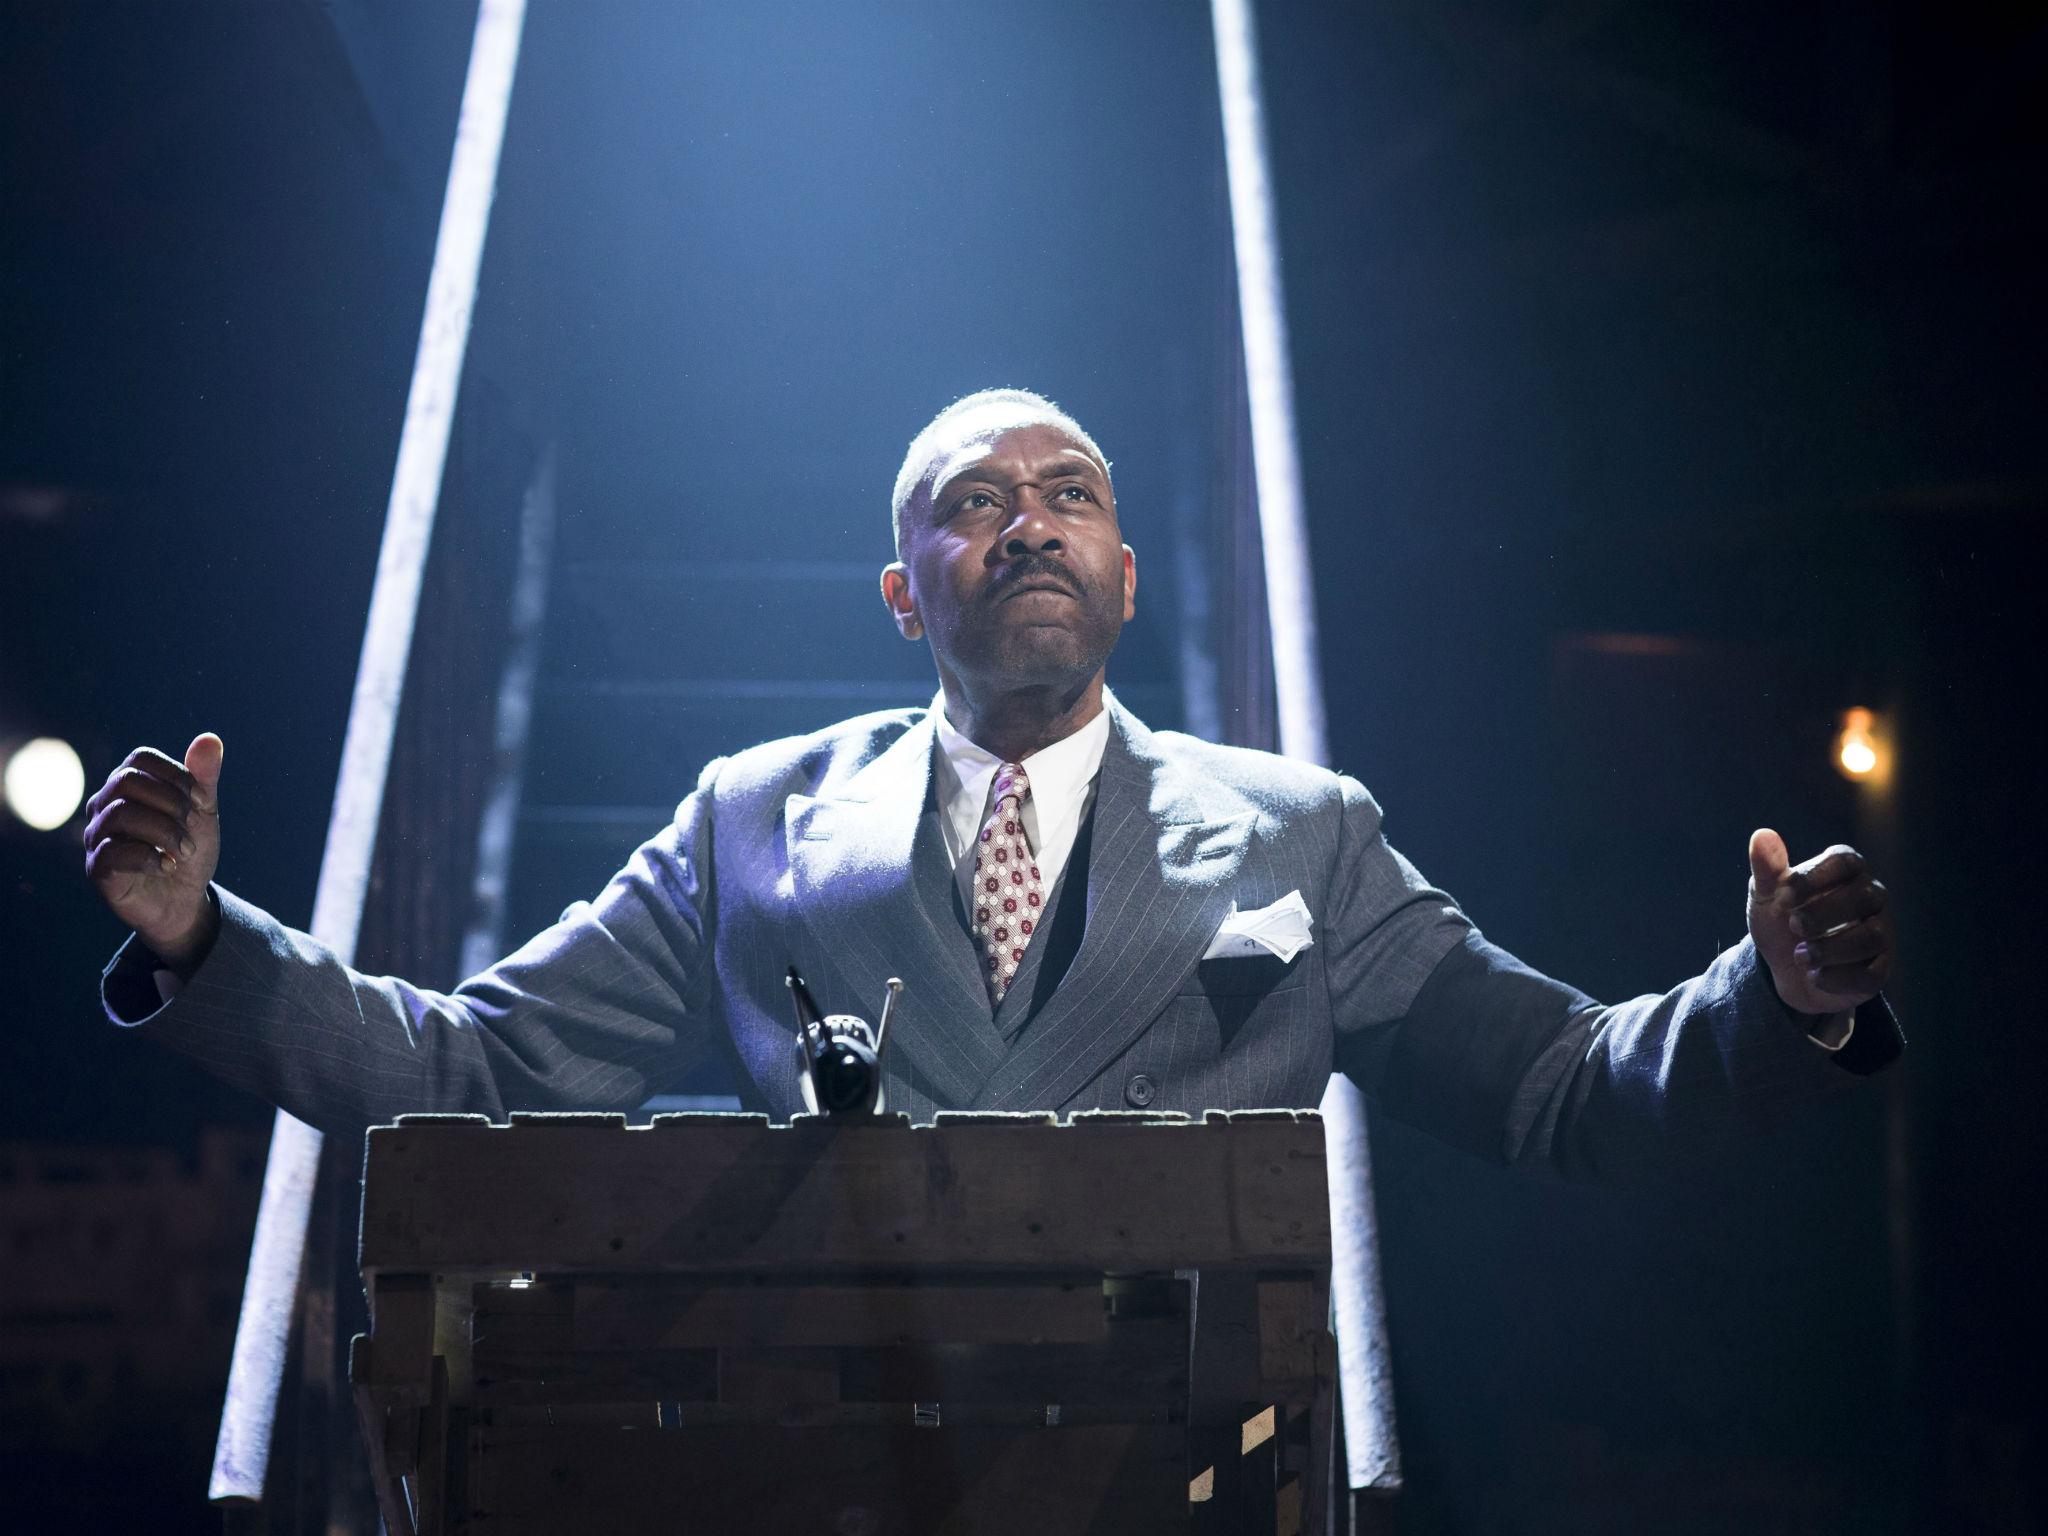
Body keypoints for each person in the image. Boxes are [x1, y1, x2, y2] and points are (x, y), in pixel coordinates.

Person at [85, 389, 1900, 1163]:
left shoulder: (1301, 833)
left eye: (1070, 496)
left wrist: (1777, 1001)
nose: (1025, 523)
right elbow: (471, 1066)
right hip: (832, 1458)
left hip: (1181, 1462)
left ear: (1126, 574)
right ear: (904, 593)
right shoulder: (751, 821)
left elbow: (1567, 1091)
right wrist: (199, 943)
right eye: (971, 505)